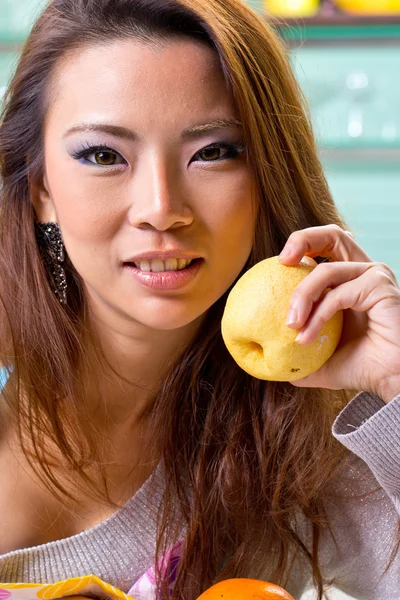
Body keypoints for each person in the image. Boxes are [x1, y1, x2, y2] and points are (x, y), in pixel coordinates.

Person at [0, 0, 399, 599]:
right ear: (41, 192)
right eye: (104, 156)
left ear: (267, 175)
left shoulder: (305, 446)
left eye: (213, 152)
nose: (161, 207)